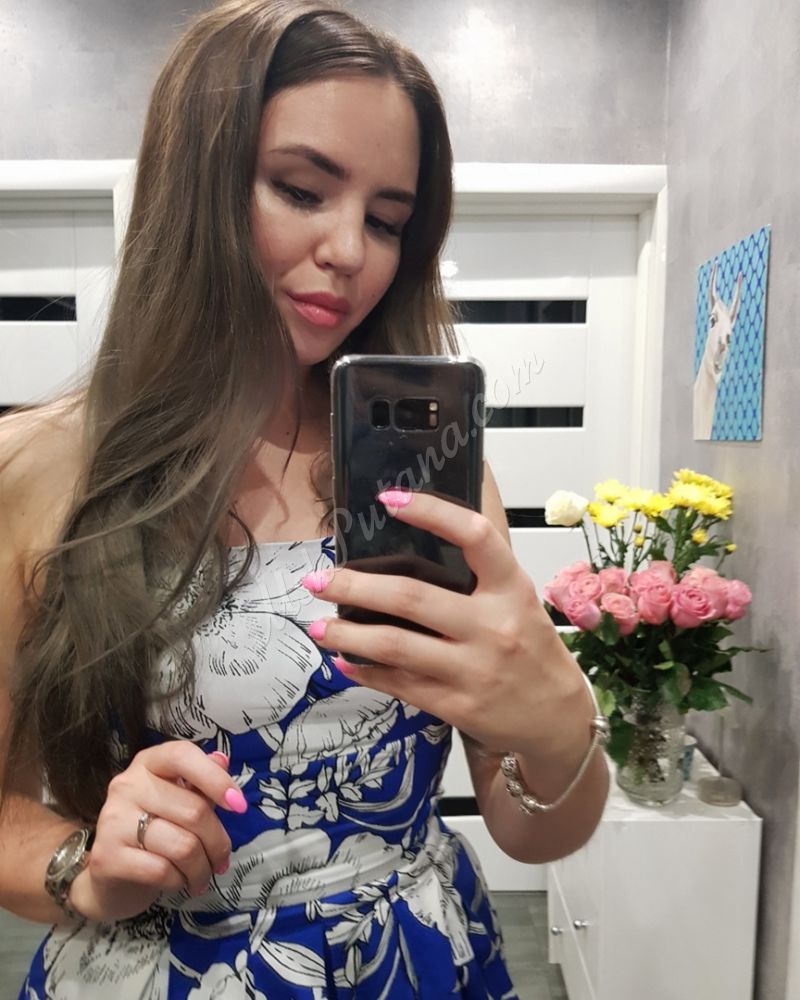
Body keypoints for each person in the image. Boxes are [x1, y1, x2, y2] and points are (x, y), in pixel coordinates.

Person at [0, 1, 609, 996]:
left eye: (387, 220)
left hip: (411, 956)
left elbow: (528, 826)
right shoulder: (39, 467)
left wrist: (555, 725)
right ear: (194, 183)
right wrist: (86, 866)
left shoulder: (432, 470)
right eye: (300, 189)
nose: (350, 250)